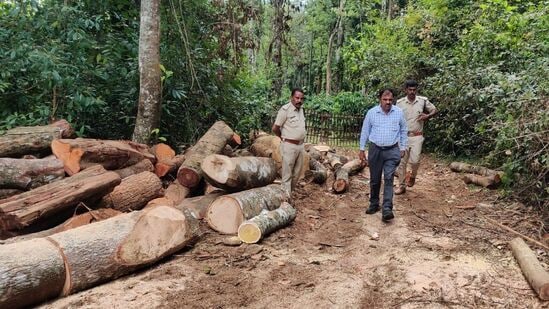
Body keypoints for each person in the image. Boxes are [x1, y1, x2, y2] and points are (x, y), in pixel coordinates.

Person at [359, 88, 407, 222]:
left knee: (389, 178)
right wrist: (362, 149)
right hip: (375, 150)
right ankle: (374, 204)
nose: (388, 102)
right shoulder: (372, 113)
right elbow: (365, 131)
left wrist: (402, 147)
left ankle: (387, 208)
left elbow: (403, 130)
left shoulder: (398, 112)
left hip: (392, 150)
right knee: (375, 179)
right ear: (380, 99)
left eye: (390, 100)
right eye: (385, 99)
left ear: (393, 100)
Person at [394, 80, 437, 195]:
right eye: (410, 90)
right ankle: (401, 186)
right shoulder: (400, 103)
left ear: (416, 90)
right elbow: (394, 118)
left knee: (415, 161)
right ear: (406, 90)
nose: (412, 92)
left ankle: (413, 176)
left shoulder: (422, 101)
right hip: (403, 137)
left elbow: (434, 110)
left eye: (414, 90)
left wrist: (427, 116)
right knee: (402, 163)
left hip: (417, 136)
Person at [272, 88, 306, 195]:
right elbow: (275, 128)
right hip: (289, 146)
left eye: (301, 98)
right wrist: (282, 137)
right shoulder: (285, 110)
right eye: (297, 98)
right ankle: (286, 198)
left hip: (300, 146)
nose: (299, 100)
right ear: (292, 97)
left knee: (296, 174)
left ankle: (288, 193)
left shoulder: (301, 110)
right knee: (287, 175)